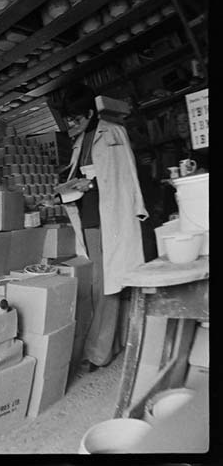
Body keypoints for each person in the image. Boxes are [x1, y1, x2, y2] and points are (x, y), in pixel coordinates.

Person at [52, 83, 147, 370]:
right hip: (90, 219)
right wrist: (67, 189)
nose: (71, 125)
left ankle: (98, 352)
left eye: (75, 119)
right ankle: (110, 344)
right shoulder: (80, 141)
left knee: (106, 285)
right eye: (68, 120)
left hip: (112, 217)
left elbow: (127, 174)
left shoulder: (113, 133)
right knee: (101, 285)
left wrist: (136, 207)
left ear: (90, 113)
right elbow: (77, 178)